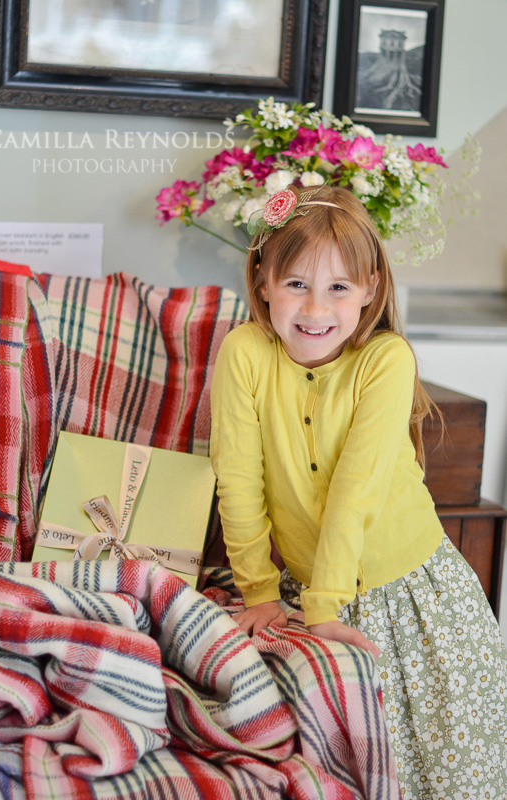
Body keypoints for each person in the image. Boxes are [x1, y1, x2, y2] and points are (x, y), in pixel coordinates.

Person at [210, 184, 507, 799]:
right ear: (262, 281)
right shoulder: (244, 353)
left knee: (446, 764)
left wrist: (324, 608)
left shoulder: (386, 359)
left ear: (370, 288)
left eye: (339, 287)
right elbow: (237, 479)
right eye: (296, 283)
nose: (315, 307)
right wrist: (258, 590)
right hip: (305, 590)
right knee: (355, 770)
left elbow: (354, 490)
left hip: (416, 594)